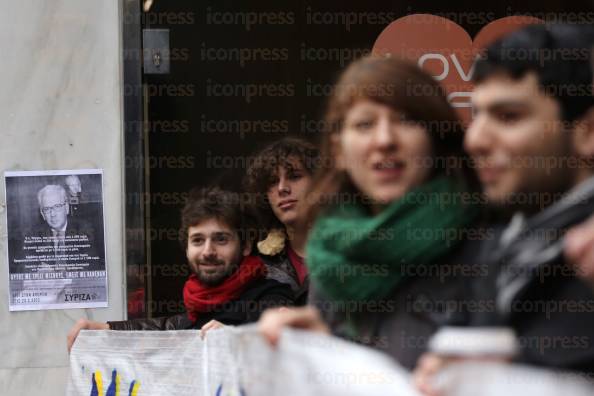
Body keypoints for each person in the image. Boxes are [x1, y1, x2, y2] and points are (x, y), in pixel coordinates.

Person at [258, 56, 481, 369]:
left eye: (405, 119)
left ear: (436, 139)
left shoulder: (488, 246)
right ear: (338, 152)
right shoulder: (331, 258)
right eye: (364, 124)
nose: (385, 139)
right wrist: (321, 343)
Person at [413, 23, 594, 394]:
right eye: (476, 115)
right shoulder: (489, 247)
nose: (475, 139)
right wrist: (328, 353)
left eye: (508, 116)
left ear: (588, 132)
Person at [67, 187, 294, 352]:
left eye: (221, 239)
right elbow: (168, 329)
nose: (207, 251)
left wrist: (238, 337)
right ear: (186, 249)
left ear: (245, 246)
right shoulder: (197, 306)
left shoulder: (273, 296)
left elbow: (270, 327)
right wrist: (102, 328)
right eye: (197, 240)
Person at [243, 138, 319, 305]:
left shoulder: (351, 249)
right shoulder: (256, 266)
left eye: (294, 176)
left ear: (319, 183)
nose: (282, 188)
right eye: (272, 181)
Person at [35, 185, 101, 267]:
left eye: (57, 206)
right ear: (42, 214)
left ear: (66, 207)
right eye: (47, 209)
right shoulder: (35, 235)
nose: (53, 214)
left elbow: (93, 266)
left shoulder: (85, 229)